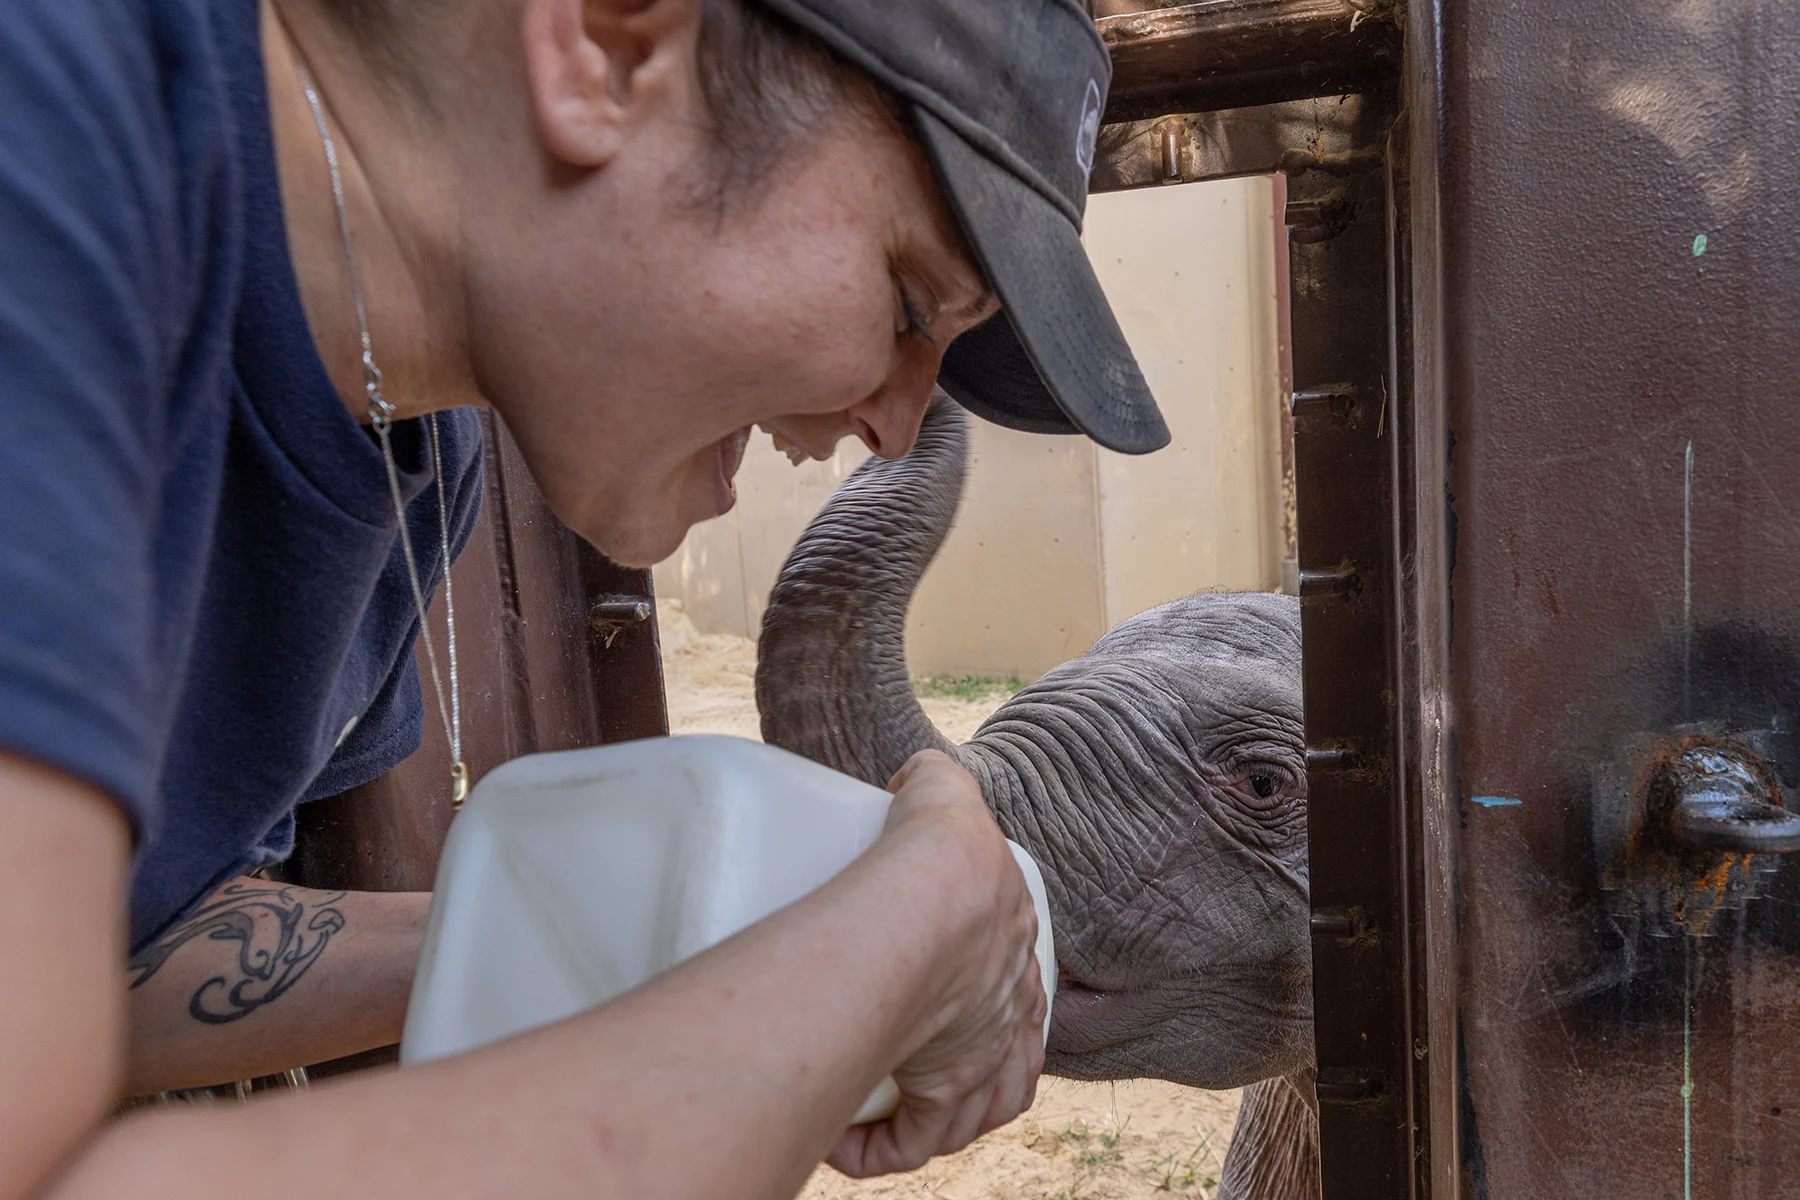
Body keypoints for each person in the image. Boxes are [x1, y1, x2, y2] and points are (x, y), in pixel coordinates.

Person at [0, 0, 1169, 1195]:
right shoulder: (46, 119)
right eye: (913, 306)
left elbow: (121, 948)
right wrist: (892, 945)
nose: (893, 426)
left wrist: (649, 932)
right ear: (609, 46)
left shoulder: (419, 450)